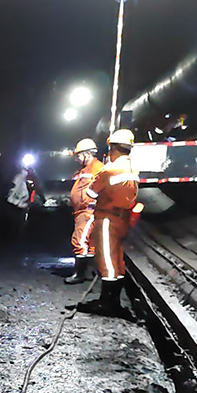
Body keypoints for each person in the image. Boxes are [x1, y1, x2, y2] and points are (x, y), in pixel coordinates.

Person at [76, 129, 143, 318]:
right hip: (123, 219)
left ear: (112, 148)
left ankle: (107, 304)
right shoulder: (132, 168)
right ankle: (114, 301)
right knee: (117, 259)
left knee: (106, 260)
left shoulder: (109, 169)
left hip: (107, 219)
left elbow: (90, 194)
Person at [65, 138, 103, 284]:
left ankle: (79, 273)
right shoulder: (86, 169)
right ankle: (89, 272)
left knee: (79, 241)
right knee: (89, 243)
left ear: (87, 154)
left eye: (79, 155)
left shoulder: (97, 167)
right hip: (83, 211)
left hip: (88, 211)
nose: (77, 159)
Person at [5, 166, 38, 238]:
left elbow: (37, 188)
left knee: (20, 223)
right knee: (16, 223)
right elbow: (11, 195)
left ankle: (18, 236)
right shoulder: (19, 178)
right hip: (16, 206)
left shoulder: (26, 180)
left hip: (21, 206)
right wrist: (20, 203)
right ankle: (14, 237)